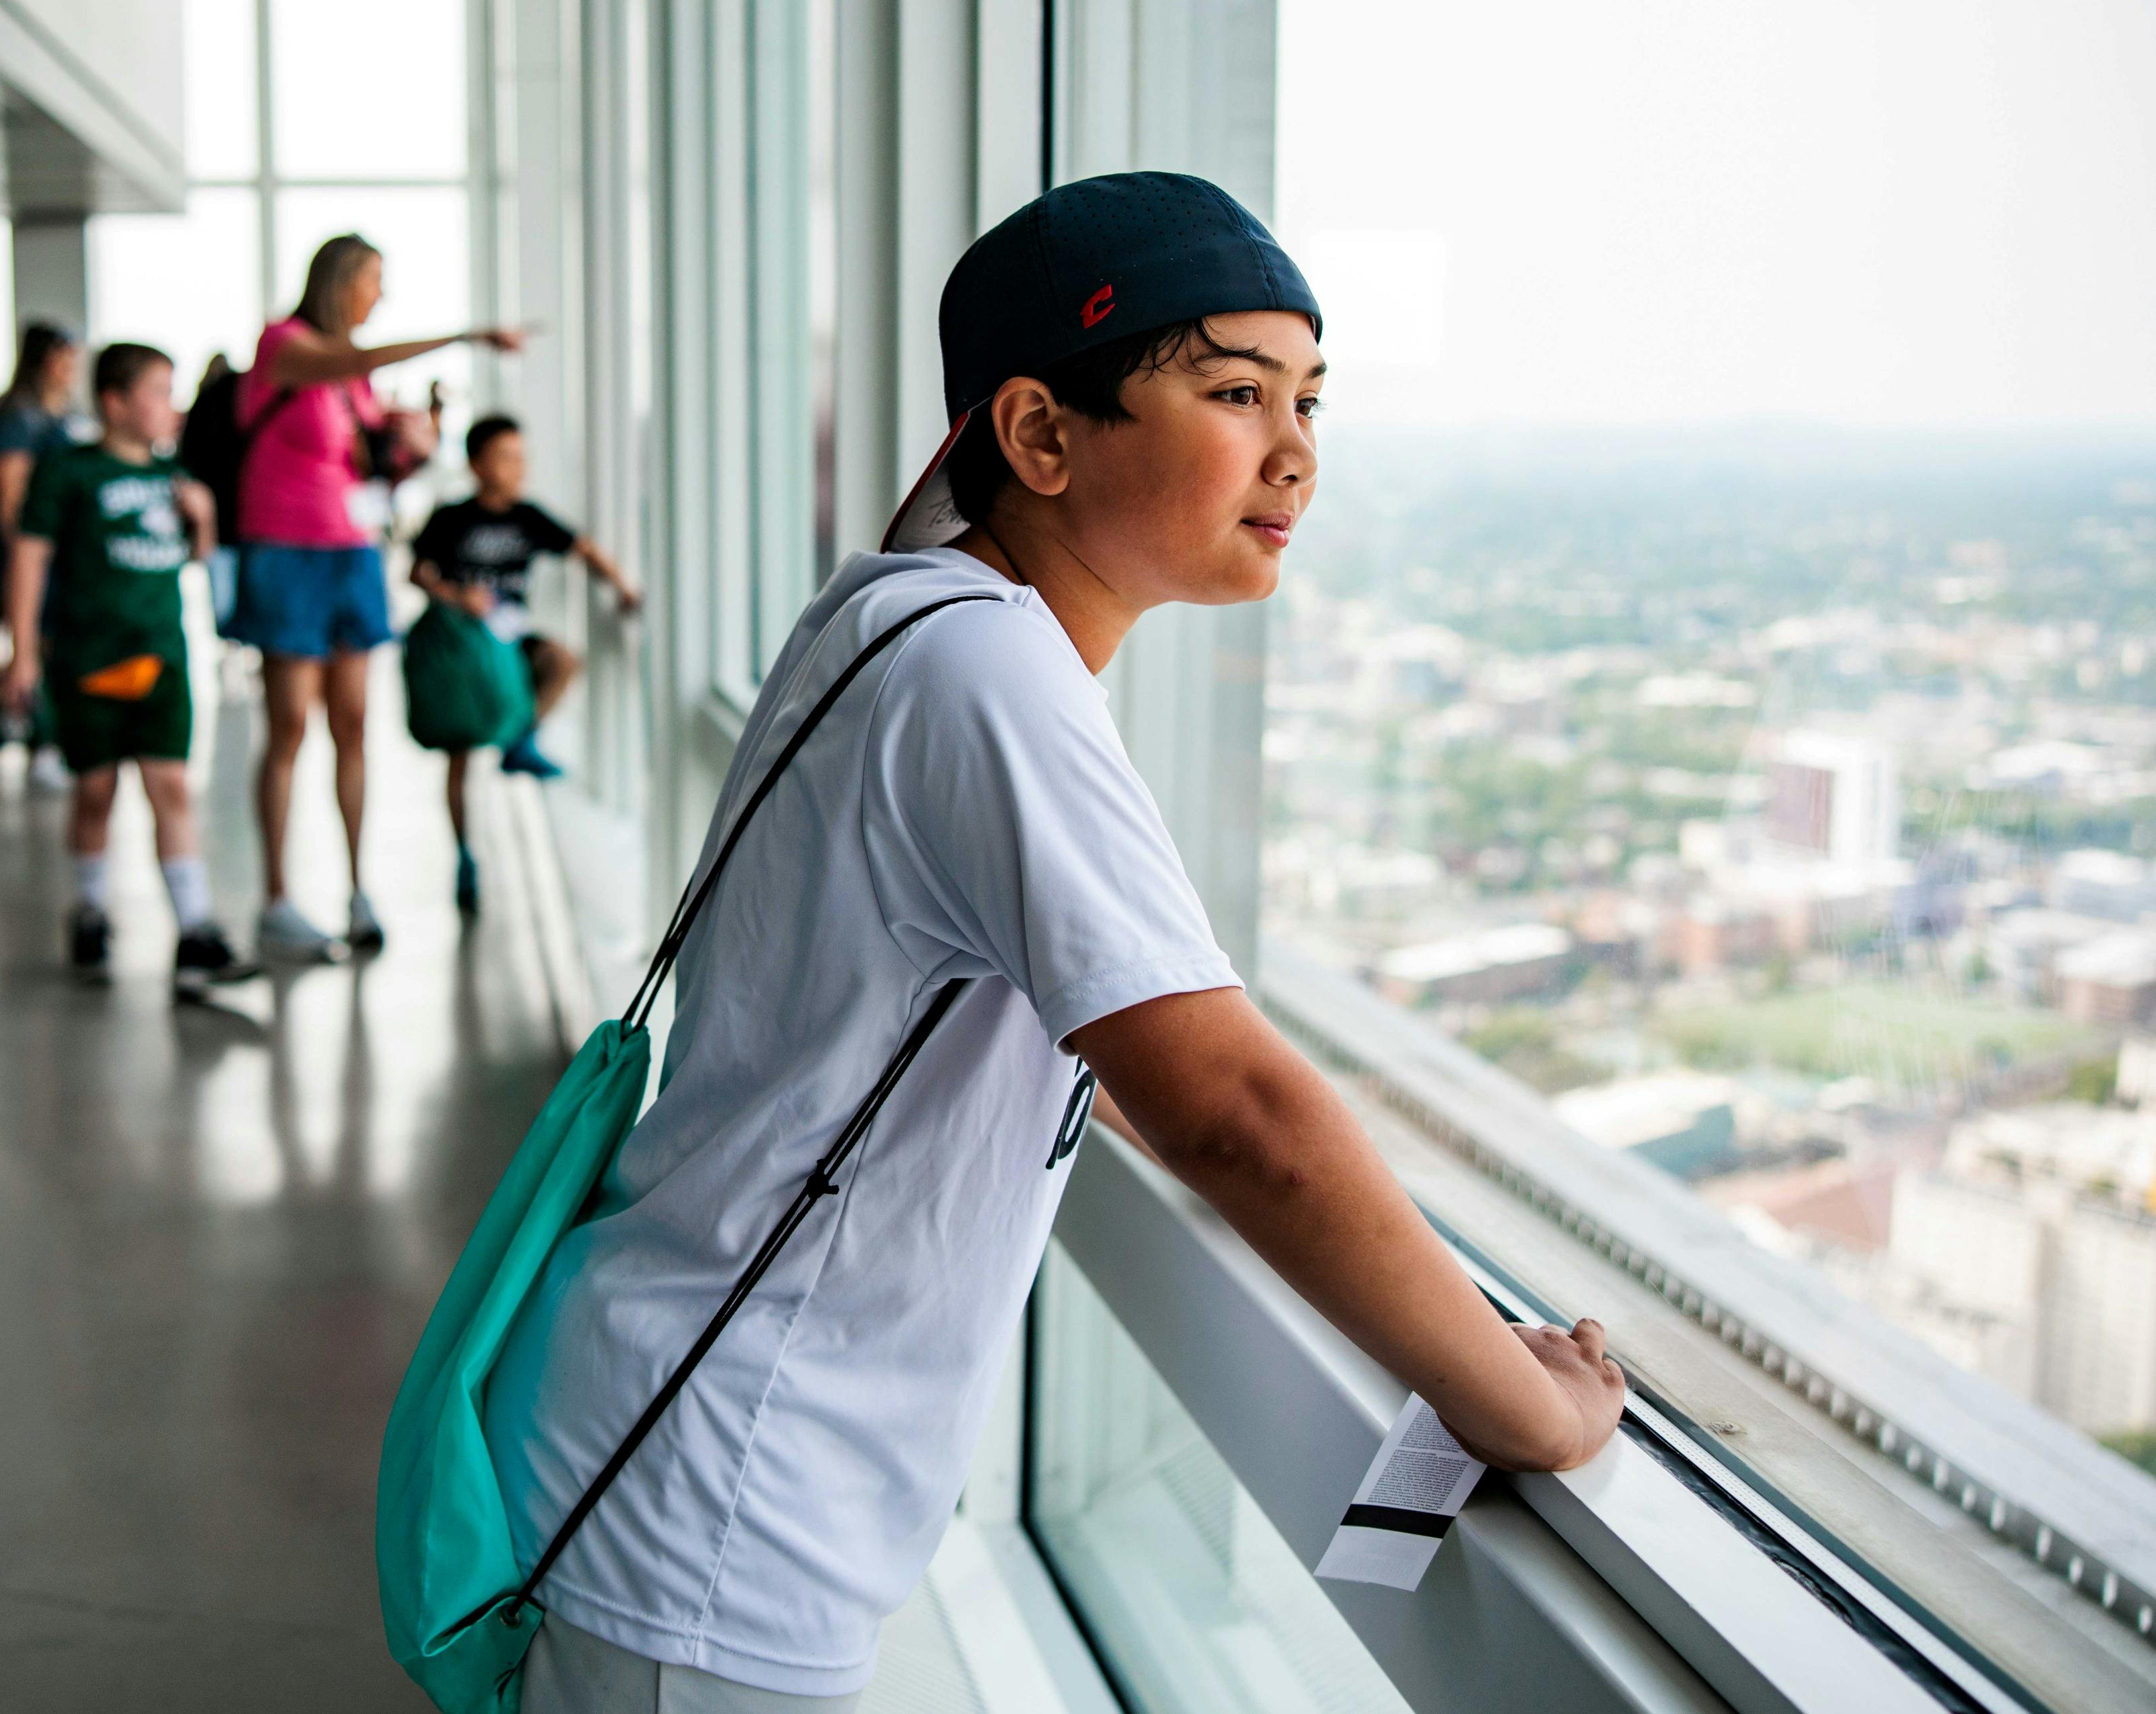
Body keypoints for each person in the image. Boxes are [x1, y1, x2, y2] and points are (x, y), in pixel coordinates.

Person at [481, 174, 1623, 1713]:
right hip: (719, 1516)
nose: (1294, 452)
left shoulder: (889, 616)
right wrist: (1525, 1403)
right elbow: (1238, 1117)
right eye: (1233, 391)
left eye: (1311, 400)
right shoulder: (991, 681)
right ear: (1037, 436)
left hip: (658, 1436)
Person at [228, 233, 525, 960]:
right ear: (339, 282)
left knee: (353, 724)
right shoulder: (285, 345)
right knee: (290, 726)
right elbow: (351, 359)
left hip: (351, 555)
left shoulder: (351, 383)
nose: (379, 297)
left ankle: (356, 890)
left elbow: (361, 465)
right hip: (286, 552)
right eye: (371, 281)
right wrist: (463, 336)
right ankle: (275, 897)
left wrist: (404, 445)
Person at [1, 343, 262, 1001]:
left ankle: (196, 930)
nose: (169, 407)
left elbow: (192, 558)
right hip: (90, 658)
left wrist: (202, 521)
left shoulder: (173, 476)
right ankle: (90, 907)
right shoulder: (69, 472)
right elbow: (29, 560)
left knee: (171, 786)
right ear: (114, 402)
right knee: (95, 793)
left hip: (165, 653)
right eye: (157, 392)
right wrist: (23, 652)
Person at [409, 415, 641, 909]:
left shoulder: (528, 517)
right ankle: (465, 856)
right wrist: (456, 596)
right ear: (476, 464)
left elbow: (582, 549)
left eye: (521, 458)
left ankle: (520, 736)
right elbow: (417, 571)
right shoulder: (451, 518)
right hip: (461, 647)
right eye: (505, 457)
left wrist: (623, 588)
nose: (517, 468)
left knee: (561, 661)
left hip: (510, 640)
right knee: (460, 754)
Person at [0, 321, 81, 779]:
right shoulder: (19, 416)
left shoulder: (62, 411)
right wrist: (27, 557)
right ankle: (39, 734)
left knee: (53, 641)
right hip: (28, 554)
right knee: (31, 639)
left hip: (59, 554)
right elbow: (10, 498)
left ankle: (41, 729)